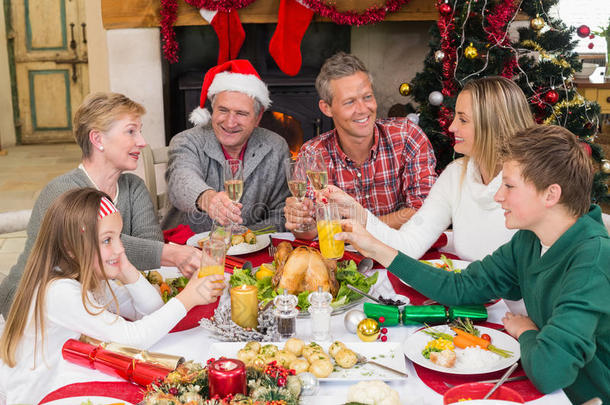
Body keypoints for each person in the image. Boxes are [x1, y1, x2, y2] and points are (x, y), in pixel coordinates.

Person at [337, 125, 610, 403]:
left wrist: (526, 331)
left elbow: (549, 372)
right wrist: (377, 249)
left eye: (510, 186)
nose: (498, 196)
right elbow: (461, 287)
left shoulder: (591, 261)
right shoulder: (530, 240)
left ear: (551, 195)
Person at [0, 188, 225, 404]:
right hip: (39, 392)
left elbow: (152, 310)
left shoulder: (90, 276)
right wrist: (188, 298)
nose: (119, 248)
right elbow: (131, 337)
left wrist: (126, 268)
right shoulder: (58, 292)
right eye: (108, 240)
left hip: (69, 373)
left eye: (119, 237)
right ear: (71, 248)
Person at [0, 92, 202, 318]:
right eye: (131, 131)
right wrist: (172, 252)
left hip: (100, 299)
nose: (142, 142)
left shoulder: (133, 186)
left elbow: (148, 249)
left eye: (140, 131)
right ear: (97, 139)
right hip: (33, 305)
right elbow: (93, 244)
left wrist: (158, 254)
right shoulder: (63, 192)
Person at [323, 76, 535, 262]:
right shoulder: (456, 175)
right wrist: (356, 211)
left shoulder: (532, 183)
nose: (451, 127)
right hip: (471, 301)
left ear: (492, 124)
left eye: (463, 119)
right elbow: (408, 244)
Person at [284, 52, 437, 239]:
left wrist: (360, 224)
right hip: (344, 258)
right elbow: (311, 231)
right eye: (349, 102)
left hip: (400, 251)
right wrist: (300, 221)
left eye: (367, 97)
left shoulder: (407, 136)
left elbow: (423, 213)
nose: (363, 109)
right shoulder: (313, 153)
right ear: (327, 108)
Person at [163, 60, 291, 233]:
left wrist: (247, 237)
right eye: (223, 110)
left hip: (251, 250)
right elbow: (180, 181)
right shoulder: (186, 141)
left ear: (258, 117)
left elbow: (281, 213)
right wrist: (208, 199)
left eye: (241, 113)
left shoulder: (275, 146)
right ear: (213, 109)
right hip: (188, 248)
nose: (230, 123)